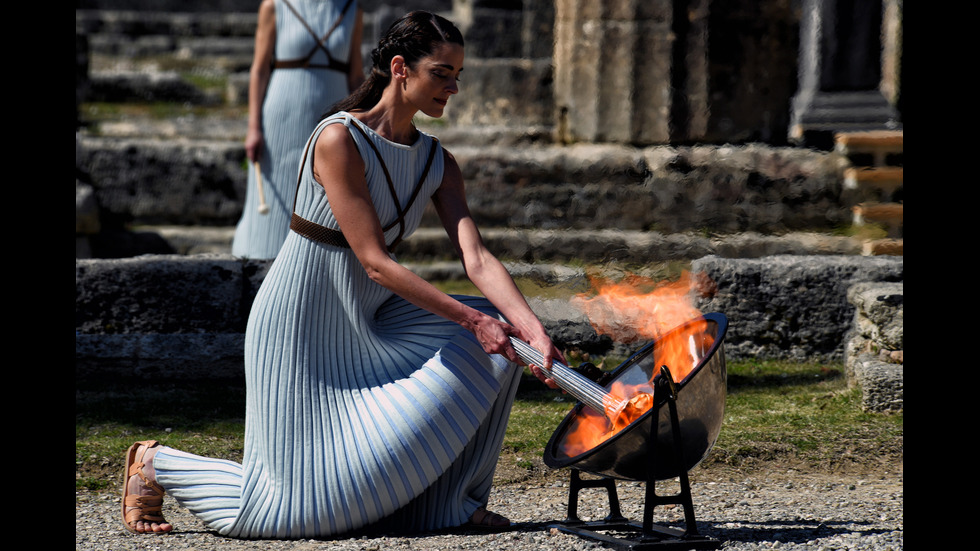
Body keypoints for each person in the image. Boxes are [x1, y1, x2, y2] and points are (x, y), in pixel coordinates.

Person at [122, 11, 563, 538]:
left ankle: (450, 505)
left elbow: (478, 258)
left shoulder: (439, 163)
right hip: (301, 325)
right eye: (442, 73)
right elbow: (375, 262)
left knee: (507, 340)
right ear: (401, 68)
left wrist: (532, 329)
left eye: (457, 74)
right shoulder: (339, 139)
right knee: (288, 513)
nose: (455, 86)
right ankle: (157, 464)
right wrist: (473, 320)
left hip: (371, 324)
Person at [232, 0, 364, 259]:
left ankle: (316, 265)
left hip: (332, 116)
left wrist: (362, 122)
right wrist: (253, 127)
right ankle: (260, 261)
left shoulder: (351, 10)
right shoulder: (274, 5)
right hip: (282, 114)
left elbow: (356, 75)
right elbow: (259, 69)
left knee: (326, 192)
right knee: (276, 191)